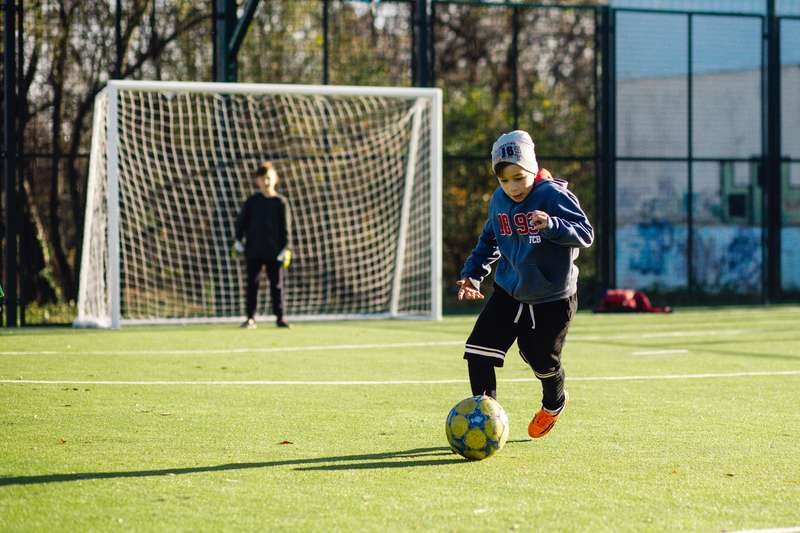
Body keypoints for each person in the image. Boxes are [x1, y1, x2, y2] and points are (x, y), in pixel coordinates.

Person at [456, 130, 593, 439]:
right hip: (509, 291)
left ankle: (554, 402)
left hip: (553, 297)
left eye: (519, 178)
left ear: (532, 168)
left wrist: (553, 225)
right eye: (504, 180)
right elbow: (489, 239)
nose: (512, 187)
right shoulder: (499, 200)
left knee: (540, 359)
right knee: (478, 352)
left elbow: (585, 233)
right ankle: (485, 420)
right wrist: (473, 273)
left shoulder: (553, 196)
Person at [234, 161, 291, 329]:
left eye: (268, 178)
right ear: (257, 181)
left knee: (277, 285)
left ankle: (280, 317)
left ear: (275, 179)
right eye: (262, 178)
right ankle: (250, 318)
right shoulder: (252, 201)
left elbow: (286, 228)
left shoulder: (281, 202)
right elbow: (241, 223)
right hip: (254, 249)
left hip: (275, 251)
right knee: (252, 284)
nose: (266, 182)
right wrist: (238, 240)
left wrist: (286, 248)